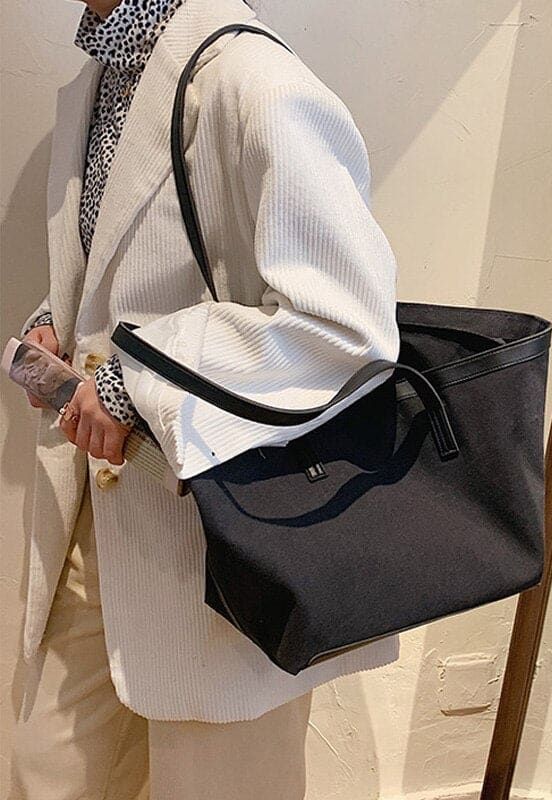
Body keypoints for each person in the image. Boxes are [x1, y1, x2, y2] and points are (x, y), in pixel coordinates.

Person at [11, 0, 402, 796]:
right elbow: (131, 272)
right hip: (100, 512)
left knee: (221, 783)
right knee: (43, 771)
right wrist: (62, 319)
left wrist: (135, 378)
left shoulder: (257, 81)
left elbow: (346, 324)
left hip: (225, 539)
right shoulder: (98, 81)